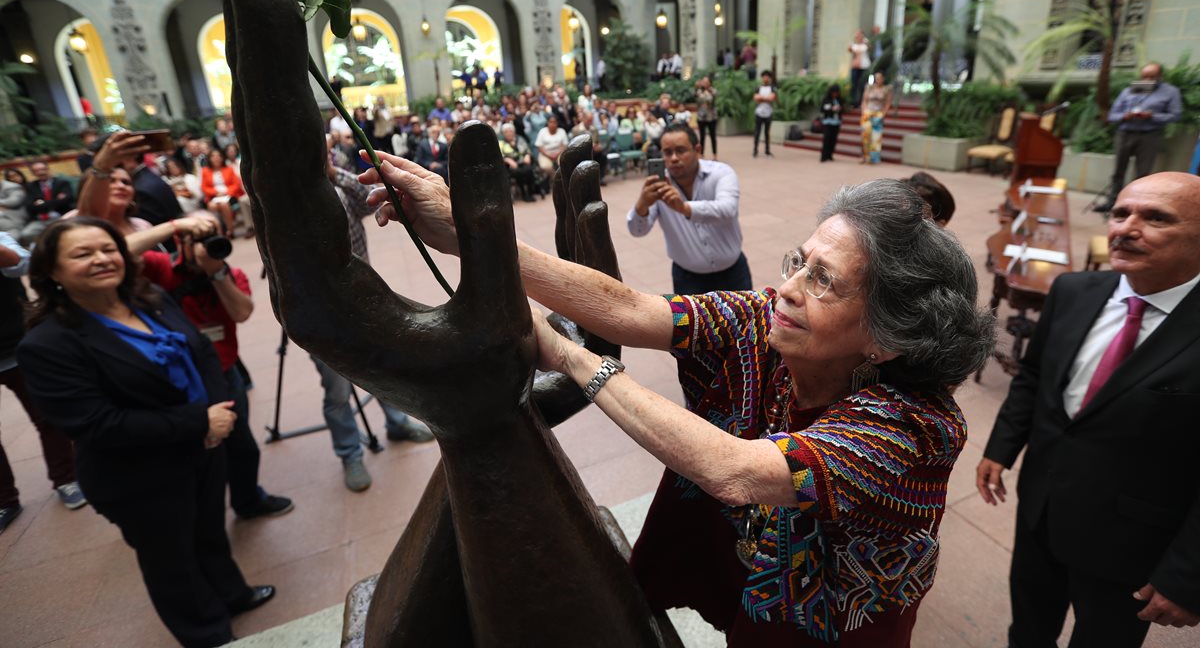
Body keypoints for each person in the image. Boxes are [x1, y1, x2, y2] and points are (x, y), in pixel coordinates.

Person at [367, 163, 994, 646]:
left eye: (823, 279)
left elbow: (740, 471)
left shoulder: (915, 428)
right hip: (761, 603)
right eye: (800, 263)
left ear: (885, 337)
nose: (790, 289)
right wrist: (472, 235)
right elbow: (632, 310)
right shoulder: (763, 322)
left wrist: (570, 356)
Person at [18, 218, 275, 648]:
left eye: (108, 248)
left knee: (208, 530)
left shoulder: (148, 298)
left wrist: (220, 413)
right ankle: (206, 632)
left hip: (203, 448)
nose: (102, 259)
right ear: (52, 274)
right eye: (83, 254)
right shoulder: (47, 345)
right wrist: (200, 423)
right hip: (137, 474)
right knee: (170, 558)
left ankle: (232, 594)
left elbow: (203, 351)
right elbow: (96, 424)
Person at [977, 172, 1200, 647]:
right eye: (1120, 213)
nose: (1126, 228)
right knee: (1028, 630)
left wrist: (1187, 575)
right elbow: (1034, 377)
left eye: (1155, 217)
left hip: (1130, 545)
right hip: (1042, 509)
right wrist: (1002, 447)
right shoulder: (1073, 290)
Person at [133, 222, 294, 522]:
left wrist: (215, 272)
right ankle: (191, 514)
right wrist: (174, 226)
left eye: (211, 238)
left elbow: (242, 313)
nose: (206, 246)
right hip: (174, 379)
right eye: (198, 240)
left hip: (222, 373)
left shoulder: (229, 274)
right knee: (190, 452)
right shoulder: (161, 268)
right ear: (180, 242)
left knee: (242, 446)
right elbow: (122, 251)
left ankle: (247, 501)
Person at [314, 156, 434, 491]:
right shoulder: (286, 189)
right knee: (337, 389)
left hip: (361, 294)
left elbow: (367, 202)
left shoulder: (335, 177)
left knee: (380, 366)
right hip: (320, 308)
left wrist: (335, 172)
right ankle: (350, 452)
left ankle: (396, 423)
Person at [1, 231, 84, 534]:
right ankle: (5, 501)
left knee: (48, 416)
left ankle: (66, 479)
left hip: (15, 345)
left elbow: (20, 263)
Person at [628, 123, 751, 295]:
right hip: (687, 280)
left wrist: (684, 208)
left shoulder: (721, 173)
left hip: (733, 274)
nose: (674, 158)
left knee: (746, 321)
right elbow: (637, 231)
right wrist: (642, 205)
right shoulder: (660, 186)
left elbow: (727, 209)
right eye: (667, 152)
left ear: (697, 149)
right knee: (690, 323)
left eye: (680, 150)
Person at [1095, 63, 1182, 213]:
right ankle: (1112, 203)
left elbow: (1175, 115)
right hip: (1125, 133)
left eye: (1152, 77)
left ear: (1160, 77)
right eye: (1144, 76)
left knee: (1142, 173)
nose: (1147, 80)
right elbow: (1112, 115)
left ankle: (1134, 208)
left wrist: (1152, 116)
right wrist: (1125, 115)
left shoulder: (1170, 92)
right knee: (1118, 172)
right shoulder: (1129, 91)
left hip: (1149, 135)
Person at [20, 160, 74, 245]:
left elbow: (68, 200)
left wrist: (42, 203)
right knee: (27, 234)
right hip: (41, 220)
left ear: (48, 169)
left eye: (43, 169)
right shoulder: (30, 186)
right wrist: (56, 200)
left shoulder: (62, 183)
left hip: (61, 217)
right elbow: (29, 206)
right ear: (33, 173)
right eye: (36, 171)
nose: (41, 172)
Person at [200, 148, 250, 237]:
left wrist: (226, 192)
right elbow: (204, 187)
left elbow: (236, 184)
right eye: (213, 156)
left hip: (230, 195)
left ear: (222, 158)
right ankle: (220, 231)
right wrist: (215, 192)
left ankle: (230, 230)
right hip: (214, 196)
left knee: (223, 205)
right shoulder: (205, 171)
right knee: (212, 206)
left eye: (218, 156)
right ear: (209, 159)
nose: (216, 158)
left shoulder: (229, 169)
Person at [499, 122, 538, 202]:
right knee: (518, 172)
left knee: (529, 170)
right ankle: (523, 192)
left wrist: (527, 155)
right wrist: (507, 160)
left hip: (523, 162)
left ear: (514, 132)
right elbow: (500, 155)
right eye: (506, 132)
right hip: (511, 165)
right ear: (503, 134)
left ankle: (530, 192)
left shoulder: (520, 139)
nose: (509, 133)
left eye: (510, 131)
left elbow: (527, 150)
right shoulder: (501, 143)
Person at [860, 72, 893, 165]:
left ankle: (873, 158)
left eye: (879, 78)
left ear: (883, 79)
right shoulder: (869, 87)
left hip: (878, 114)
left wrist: (883, 114)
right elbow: (864, 101)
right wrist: (864, 111)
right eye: (876, 78)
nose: (878, 80)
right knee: (865, 135)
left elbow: (887, 103)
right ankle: (865, 156)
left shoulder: (886, 89)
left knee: (876, 137)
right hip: (867, 113)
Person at [752, 70, 776, 158]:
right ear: (762, 78)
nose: (766, 78)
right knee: (757, 132)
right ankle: (755, 150)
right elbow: (755, 98)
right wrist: (766, 98)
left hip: (768, 112)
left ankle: (767, 151)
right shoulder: (758, 87)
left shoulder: (772, 88)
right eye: (764, 76)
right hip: (759, 112)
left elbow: (772, 98)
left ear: (769, 78)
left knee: (767, 133)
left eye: (767, 77)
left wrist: (762, 98)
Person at [693, 76, 717, 161]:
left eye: (706, 81)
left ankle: (715, 154)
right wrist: (696, 87)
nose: (704, 83)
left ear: (710, 83)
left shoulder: (713, 91)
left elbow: (713, 100)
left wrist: (708, 91)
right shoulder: (699, 91)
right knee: (702, 136)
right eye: (703, 81)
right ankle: (701, 154)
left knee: (713, 136)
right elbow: (695, 97)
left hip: (711, 117)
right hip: (701, 116)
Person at [818, 83, 844, 162]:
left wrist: (839, 109)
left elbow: (844, 109)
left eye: (836, 92)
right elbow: (822, 109)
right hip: (827, 122)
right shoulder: (826, 99)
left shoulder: (840, 100)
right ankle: (824, 156)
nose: (835, 94)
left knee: (833, 139)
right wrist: (831, 109)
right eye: (834, 92)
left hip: (836, 122)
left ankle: (830, 155)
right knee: (826, 139)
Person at [0, 168, 28, 240]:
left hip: (13, 220)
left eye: (15, 175)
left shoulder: (12, 187)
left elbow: (13, 202)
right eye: (10, 177)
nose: (14, 178)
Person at [848, 29, 871, 107]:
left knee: (863, 85)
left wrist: (867, 44)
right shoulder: (853, 44)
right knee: (854, 84)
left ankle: (862, 101)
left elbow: (870, 49)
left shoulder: (865, 43)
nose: (858, 36)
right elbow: (850, 50)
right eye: (857, 34)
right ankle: (853, 101)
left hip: (864, 67)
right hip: (855, 67)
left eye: (859, 34)